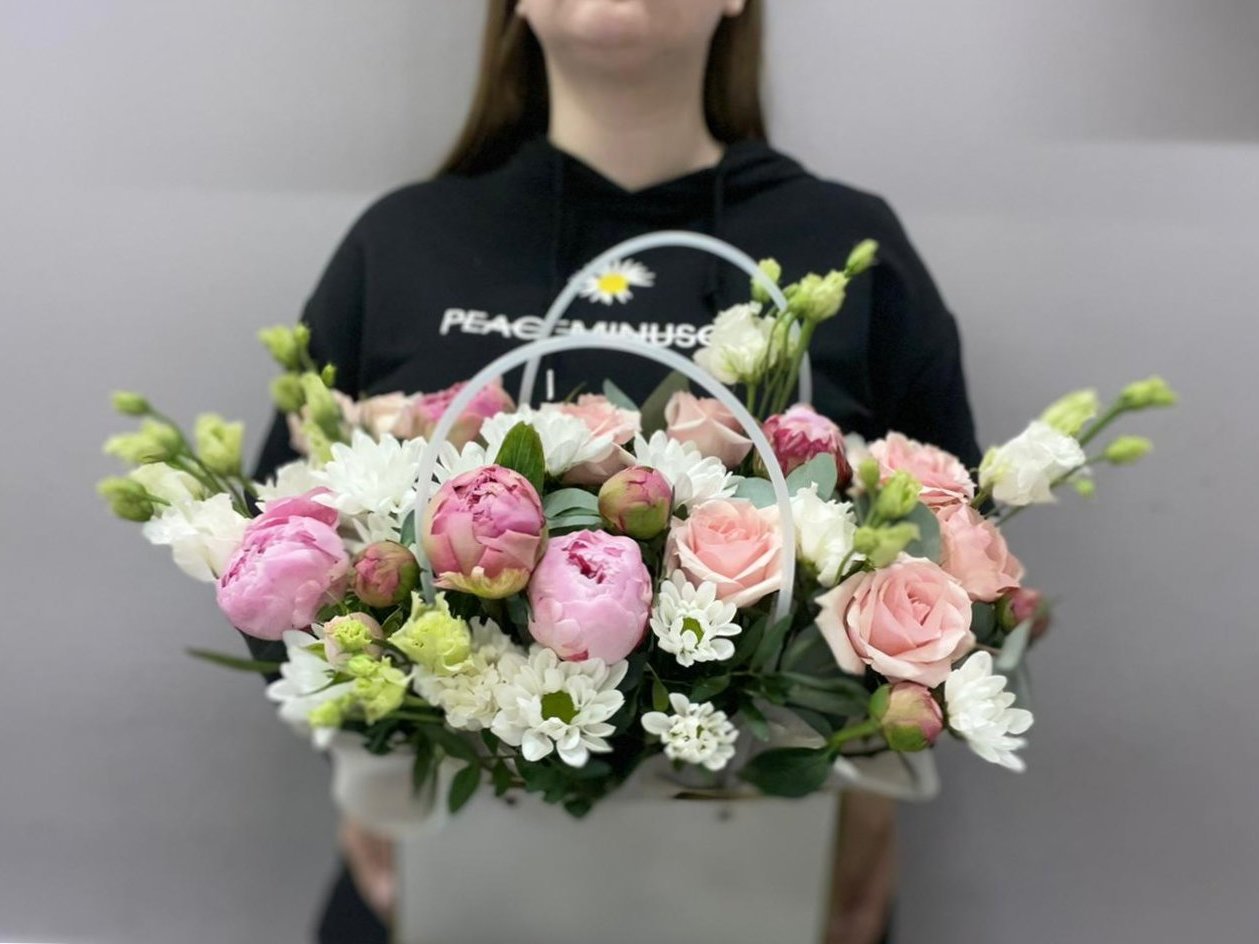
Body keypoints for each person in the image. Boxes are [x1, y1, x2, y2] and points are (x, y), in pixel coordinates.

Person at [251, 2, 981, 941]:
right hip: (454, 880)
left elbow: (957, 548)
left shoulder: (840, 243)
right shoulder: (402, 241)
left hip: (760, 882)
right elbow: (274, 555)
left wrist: (872, 790)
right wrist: (370, 772)